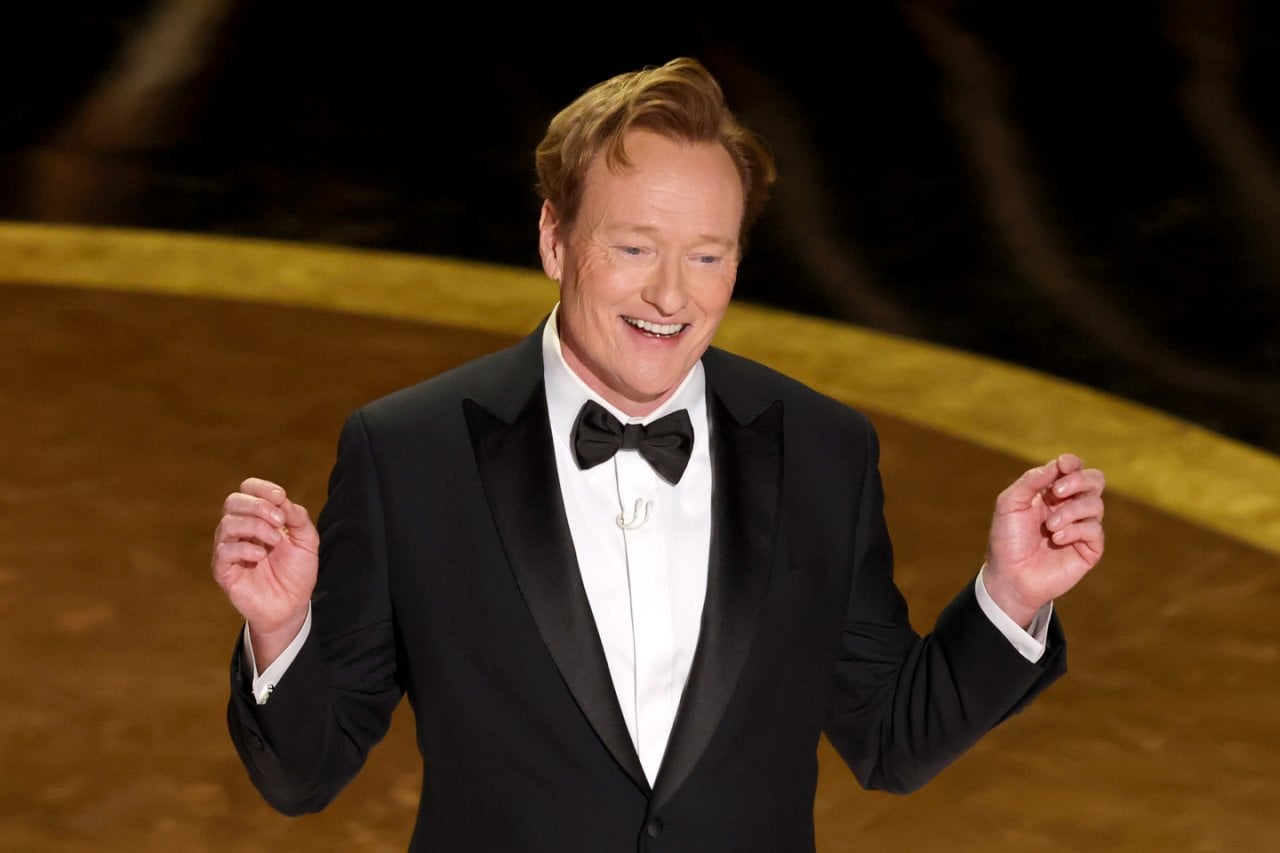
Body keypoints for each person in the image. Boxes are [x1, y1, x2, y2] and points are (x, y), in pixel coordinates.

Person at [212, 57, 1105, 851]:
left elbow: (891, 739)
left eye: (707, 256)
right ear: (555, 238)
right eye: (633, 247)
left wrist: (1012, 595)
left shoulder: (823, 450)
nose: (670, 294)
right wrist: (283, 630)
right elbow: (305, 774)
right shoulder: (410, 453)